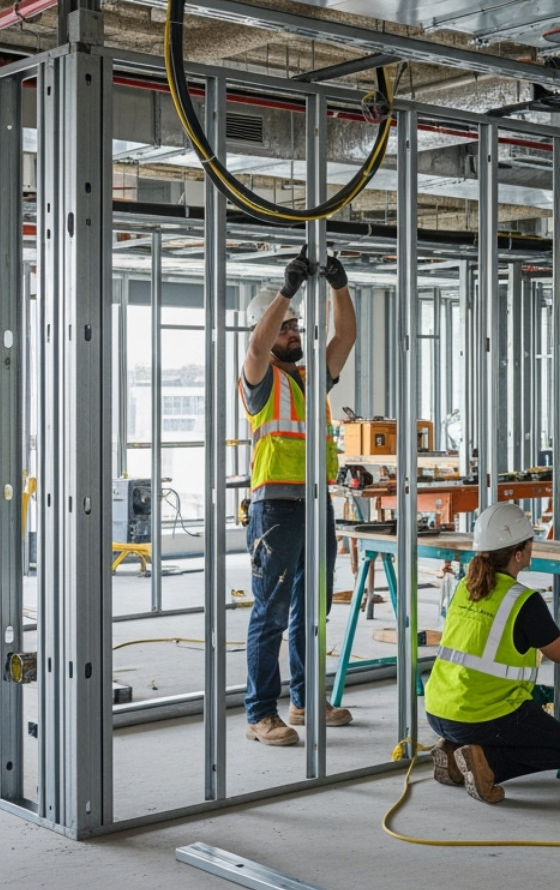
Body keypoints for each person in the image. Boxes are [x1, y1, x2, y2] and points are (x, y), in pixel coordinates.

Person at [241, 249, 356, 746]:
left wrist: (339, 286)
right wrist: (285, 291)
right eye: (285, 327)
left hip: (316, 504)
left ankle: (307, 700)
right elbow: (255, 347)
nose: (292, 333)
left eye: (295, 326)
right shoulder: (259, 380)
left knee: (313, 608)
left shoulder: (310, 381)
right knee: (270, 611)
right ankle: (259, 713)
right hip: (275, 507)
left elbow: (345, 336)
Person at [424, 502, 560, 803]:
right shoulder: (524, 602)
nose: (532, 548)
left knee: (523, 720)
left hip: (438, 710)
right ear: (518, 554)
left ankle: (453, 756)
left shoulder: (465, 586)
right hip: (478, 714)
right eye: (529, 543)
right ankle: (486, 765)